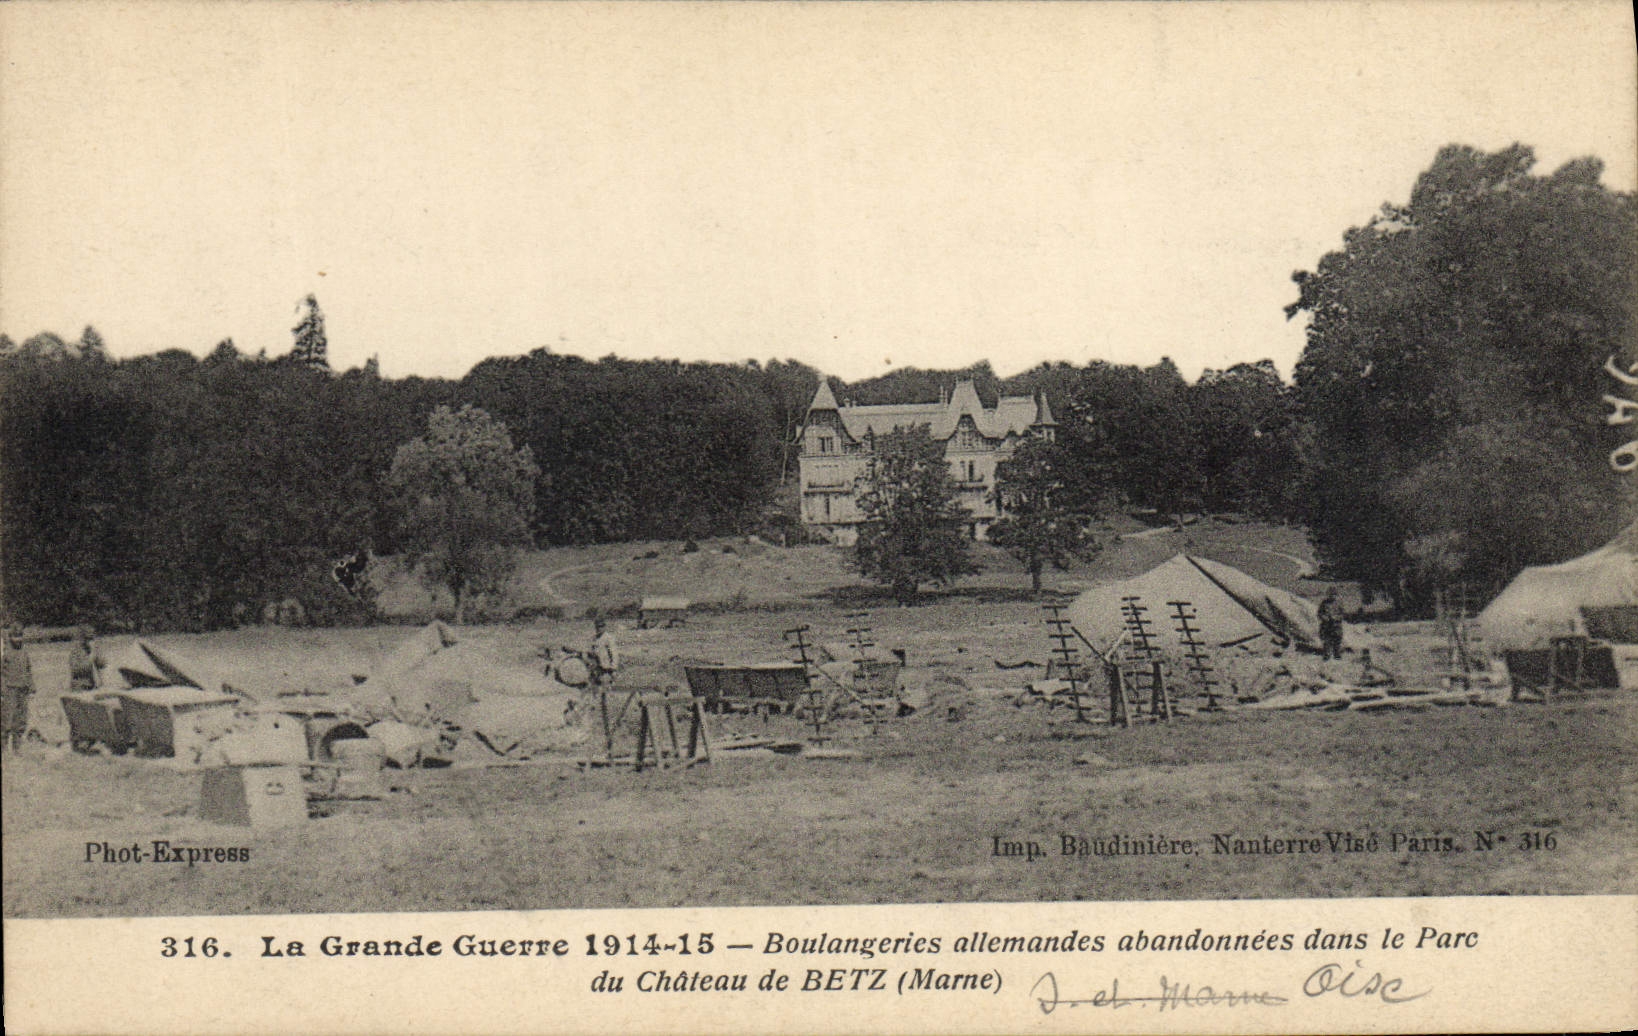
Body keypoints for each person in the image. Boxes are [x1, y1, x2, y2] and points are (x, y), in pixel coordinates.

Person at [3, 626, 34, 754]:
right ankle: (4, 746)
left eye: (20, 636)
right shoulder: (5, 652)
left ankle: (17, 746)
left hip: (23, 689)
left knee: (21, 719)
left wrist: (32, 687)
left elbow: (28, 670)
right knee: (7, 718)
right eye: (15, 636)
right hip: (9, 689)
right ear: (10, 637)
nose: (18, 639)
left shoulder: (24, 652)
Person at [591, 618, 620, 688]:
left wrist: (613, 668)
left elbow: (614, 653)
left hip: (607, 668)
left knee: (607, 687)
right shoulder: (595, 638)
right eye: (597, 627)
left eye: (601, 626)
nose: (599, 628)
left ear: (604, 627)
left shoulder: (608, 638)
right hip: (597, 667)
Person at [1318, 588, 1345, 661]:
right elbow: (1319, 613)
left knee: (1337, 641)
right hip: (1326, 625)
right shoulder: (1324, 603)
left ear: (1336, 595)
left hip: (1336, 625)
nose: (1332, 596)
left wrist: (1336, 617)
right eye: (1330, 594)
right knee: (1327, 641)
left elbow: (1342, 614)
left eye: (1334, 595)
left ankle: (1337, 655)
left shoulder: (1339, 603)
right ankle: (1327, 655)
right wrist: (1324, 617)